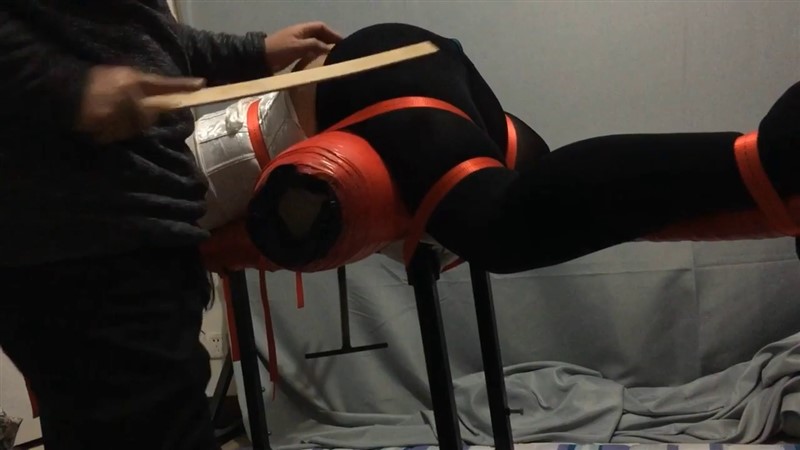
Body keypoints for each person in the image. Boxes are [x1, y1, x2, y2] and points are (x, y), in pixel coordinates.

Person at [0, 1, 341, 449]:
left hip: (132, 232)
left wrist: (256, 52)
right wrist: (70, 87)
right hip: (85, 240)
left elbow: (144, 36)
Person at [207, 22, 798, 275]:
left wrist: (252, 50)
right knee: (565, 210)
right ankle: (776, 186)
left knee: (500, 227)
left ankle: (778, 160)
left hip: (372, 89)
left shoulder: (161, 199)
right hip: (399, 81)